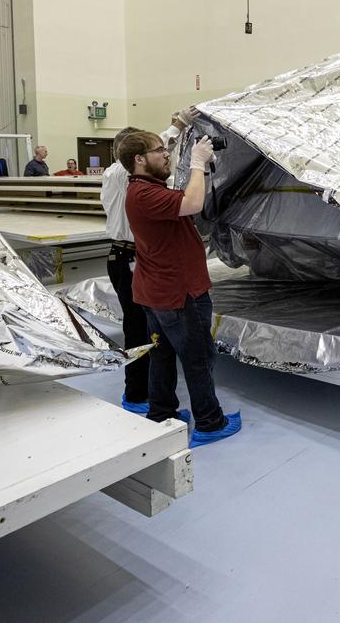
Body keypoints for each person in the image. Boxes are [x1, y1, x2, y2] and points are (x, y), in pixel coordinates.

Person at [120, 129, 241, 446]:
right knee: (198, 359)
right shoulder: (145, 194)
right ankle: (210, 423)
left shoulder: (144, 189)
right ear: (139, 159)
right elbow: (192, 202)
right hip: (178, 295)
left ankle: (162, 415)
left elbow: (182, 199)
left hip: (156, 293)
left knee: (162, 357)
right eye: (159, 150)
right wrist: (198, 162)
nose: (166, 154)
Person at [100, 127, 157, 415]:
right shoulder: (116, 174)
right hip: (127, 257)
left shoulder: (122, 179)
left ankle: (147, 389)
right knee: (137, 329)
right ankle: (135, 395)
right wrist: (178, 127)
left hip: (132, 256)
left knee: (144, 327)